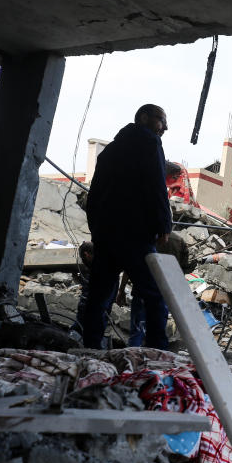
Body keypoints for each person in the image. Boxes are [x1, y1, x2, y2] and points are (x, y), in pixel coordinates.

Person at [81, 104, 173, 350]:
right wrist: (164, 223)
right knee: (154, 295)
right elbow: (156, 185)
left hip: (107, 235)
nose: (165, 127)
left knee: (99, 297)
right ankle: (158, 351)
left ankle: (90, 347)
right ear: (144, 118)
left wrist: (97, 230)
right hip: (136, 234)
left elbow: (95, 195)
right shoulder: (149, 142)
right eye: (161, 121)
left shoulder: (109, 152)